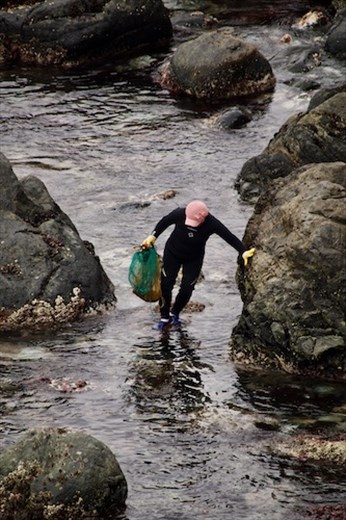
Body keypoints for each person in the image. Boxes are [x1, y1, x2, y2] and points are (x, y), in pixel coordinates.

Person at [141, 200, 255, 330]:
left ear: (203, 218)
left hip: (193, 259)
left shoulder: (211, 223)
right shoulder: (179, 213)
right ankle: (164, 318)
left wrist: (243, 251)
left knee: (187, 288)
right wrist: (153, 236)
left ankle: (175, 314)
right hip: (172, 253)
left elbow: (229, 236)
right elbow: (164, 222)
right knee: (166, 284)